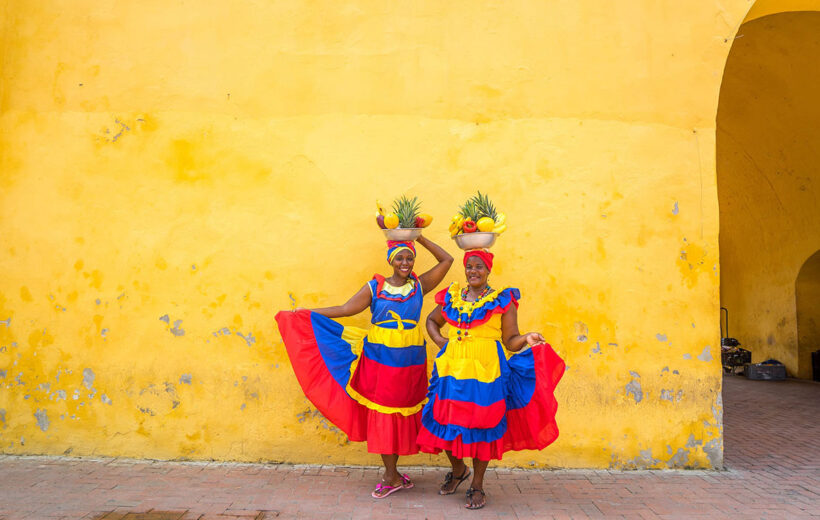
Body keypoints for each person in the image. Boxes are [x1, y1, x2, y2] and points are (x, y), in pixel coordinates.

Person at [275, 235, 453, 498]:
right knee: (383, 411)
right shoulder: (374, 287)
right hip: (380, 358)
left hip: (410, 360)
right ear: (390, 260)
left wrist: (419, 237)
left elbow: (447, 259)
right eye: (400, 258)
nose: (405, 263)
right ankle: (390, 475)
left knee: (403, 410)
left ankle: (395, 473)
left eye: (409, 258)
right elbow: (346, 308)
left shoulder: (419, 285)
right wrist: (309, 312)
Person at [417, 249, 565, 510]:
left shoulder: (502, 301)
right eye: (469, 266)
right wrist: (443, 344)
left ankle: (477, 485)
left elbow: (510, 340)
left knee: (483, 426)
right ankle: (459, 469)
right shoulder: (452, 297)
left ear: (488, 270)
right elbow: (431, 321)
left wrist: (527, 338)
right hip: (453, 370)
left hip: (487, 372)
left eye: (479, 267)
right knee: (447, 421)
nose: (473, 271)